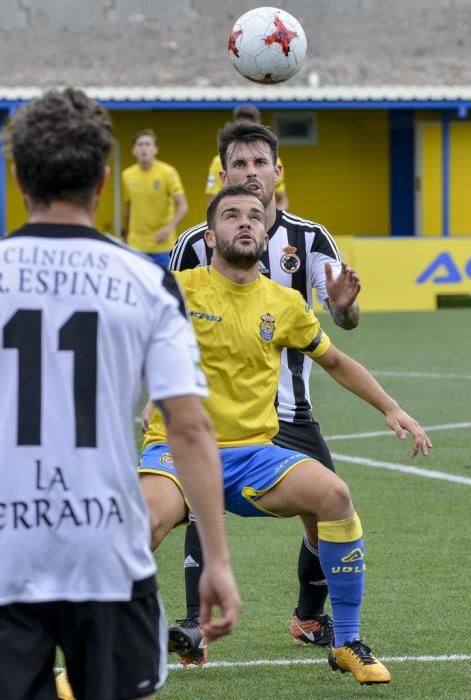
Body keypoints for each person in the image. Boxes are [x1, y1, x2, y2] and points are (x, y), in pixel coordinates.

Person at [140, 184, 432, 686]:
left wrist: (391, 407)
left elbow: (335, 360)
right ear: (211, 237)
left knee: (335, 496)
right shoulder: (177, 288)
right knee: (141, 526)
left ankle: (345, 642)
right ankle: (102, 649)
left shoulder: (285, 303)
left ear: (267, 230)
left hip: (254, 454)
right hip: (178, 449)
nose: (245, 222)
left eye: (255, 215)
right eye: (231, 216)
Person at [0, 88, 239, 700]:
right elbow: (188, 428)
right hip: (104, 550)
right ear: (106, 180)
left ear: (17, 176)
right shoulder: (148, 282)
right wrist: (216, 558)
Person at [166, 119, 360, 665]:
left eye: (259, 164)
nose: (250, 174)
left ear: (278, 171)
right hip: (217, 408)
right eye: (239, 166)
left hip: (292, 406)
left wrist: (344, 305)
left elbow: (343, 324)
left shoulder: (310, 238)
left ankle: (308, 615)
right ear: (223, 174)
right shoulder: (193, 244)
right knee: (203, 504)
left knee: (328, 507)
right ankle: (194, 626)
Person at [122, 129, 188, 268]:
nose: (143, 148)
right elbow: (128, 207)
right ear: (134, 150)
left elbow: (183, 206)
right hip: (136, 245)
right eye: (140, 144)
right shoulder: (127, 175)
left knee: (164, 287)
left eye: (147, 144)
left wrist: (169, 228)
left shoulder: (168, 172)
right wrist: (127, 235)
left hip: (162, 245)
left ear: (155, 149)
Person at [205, 104, 289, 210]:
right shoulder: (218, 162)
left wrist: (270, 221)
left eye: (259, 163)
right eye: (239, 164)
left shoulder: (275, 161)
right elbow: (212, 202)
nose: (251, 172)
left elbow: (282, 199)